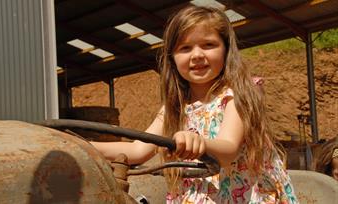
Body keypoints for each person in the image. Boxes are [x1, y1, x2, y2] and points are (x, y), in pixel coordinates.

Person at [91, 4, 298, 203]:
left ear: (226, 50)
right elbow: (137, 150)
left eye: (209, 45)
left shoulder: (239, 94)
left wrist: (200, 142)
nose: (197, 55)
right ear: (172, 58)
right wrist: (82, 145)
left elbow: (228, 149)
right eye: (185, 48)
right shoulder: (175, 109)